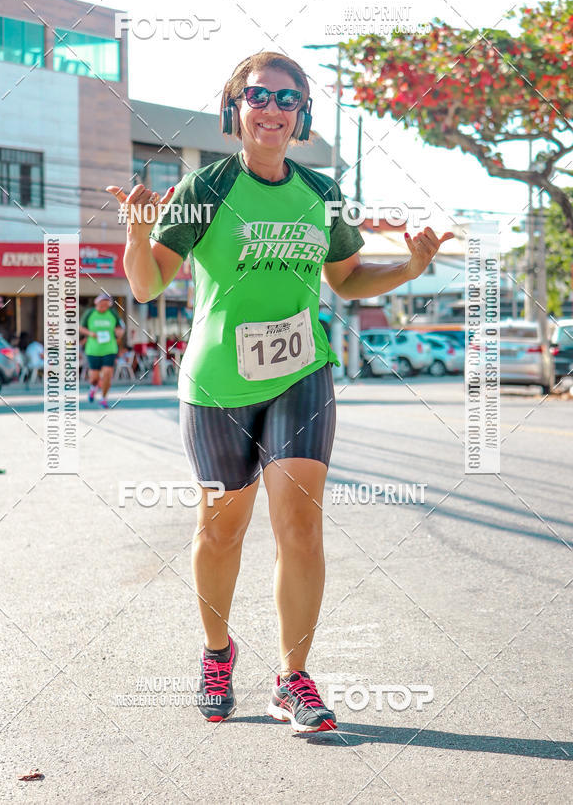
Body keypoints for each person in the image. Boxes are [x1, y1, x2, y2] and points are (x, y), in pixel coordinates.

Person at [107, 52, 453, 732]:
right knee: (220, 530)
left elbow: (347, 280)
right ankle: (216, 652)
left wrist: (411, 266)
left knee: (299, 525)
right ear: (234, 109)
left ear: (302, 117)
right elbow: (146, 285)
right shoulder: (203, 189)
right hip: (217, 384)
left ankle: (292, 679)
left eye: (287, 99)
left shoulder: (320, 193)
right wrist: (137, 234)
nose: (271, 108)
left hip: (302, 373)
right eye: (257, 95)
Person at [79, 293, 125, 408]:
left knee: (107, 374)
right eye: (101, 304)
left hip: (109, 349)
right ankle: (93, 388)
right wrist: (90, 333)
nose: (103, 307)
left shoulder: (112, 314)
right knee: (94, 377)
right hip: (93, 350)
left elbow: (120, 328)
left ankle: (104, 398)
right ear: (96, 303)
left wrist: (119, 333)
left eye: (106, 304)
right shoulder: (90, 313)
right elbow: (80, 327)